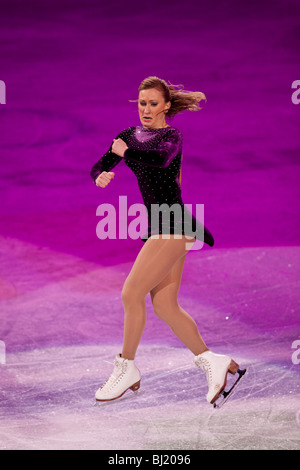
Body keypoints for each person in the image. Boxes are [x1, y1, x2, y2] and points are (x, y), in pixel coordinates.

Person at [90, 76, 240, 405]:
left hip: (173, 223)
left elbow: (158, 160)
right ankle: (211, 360)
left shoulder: (171, 136)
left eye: (153, 103)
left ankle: (126, 366)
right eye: (142, 103)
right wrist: (101, 174)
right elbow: (102, 164)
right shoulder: (129, 135)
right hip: (160, 225)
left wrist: (126, 151)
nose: (146, 109)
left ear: (166, 106)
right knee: (165, 306)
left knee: (131, 293)